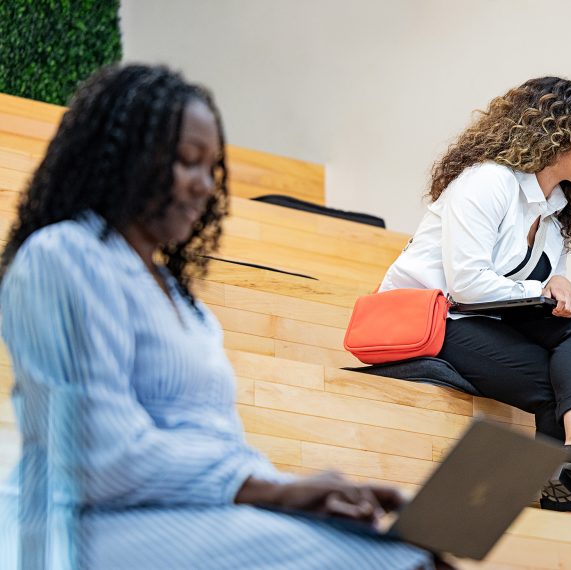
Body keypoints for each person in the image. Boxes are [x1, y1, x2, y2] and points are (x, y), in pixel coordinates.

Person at [0, 64, 435, 569]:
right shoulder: (62, 257)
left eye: (213, 170)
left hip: (177, 515)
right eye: (187, 162)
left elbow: (219, 447)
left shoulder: (185, 305)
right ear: (122, 159)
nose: (205, 186)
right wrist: (274, 493)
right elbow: (98, 456)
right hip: (78, 528)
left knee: (408, 553)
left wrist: (309, 492)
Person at [379, 76, 571, 502]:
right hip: (431, 316)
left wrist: (560, 285)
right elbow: (469, 284)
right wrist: (544, 290)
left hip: (480, 317)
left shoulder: (555, 213)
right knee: (558, 384)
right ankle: (555, 488)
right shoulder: (488, 181)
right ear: (556, 129)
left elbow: (529, 289)